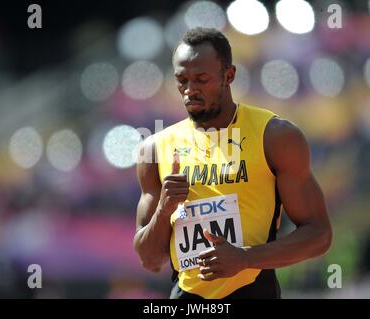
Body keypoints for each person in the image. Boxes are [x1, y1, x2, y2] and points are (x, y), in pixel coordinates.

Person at [133, 27, 332, 299]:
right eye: (182, 80)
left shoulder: (275, 136)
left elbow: (319, 235)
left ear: (229, 75)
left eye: (201, 79)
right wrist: (164, 210)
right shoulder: (154, 149)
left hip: (254, 291)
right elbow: (150, 260)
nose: (190, 90)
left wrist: (244, 258)